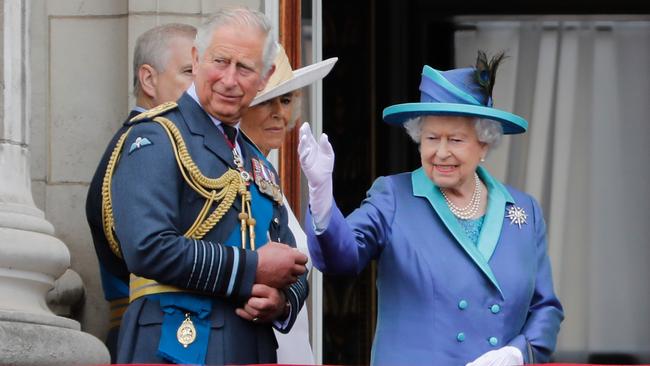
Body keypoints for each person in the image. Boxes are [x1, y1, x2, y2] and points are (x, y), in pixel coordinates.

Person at [298, 51, 564, 365]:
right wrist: (321, 198)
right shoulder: (394, 196)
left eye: (455, 140)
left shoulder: (523, 211)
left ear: (484, 144)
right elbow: (341, 259)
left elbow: (546, 309)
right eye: (431, 138)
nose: (440, 152)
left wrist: (519, 353)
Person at [101, 8, 309, 365]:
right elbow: (147, 248)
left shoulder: (255, 158)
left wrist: (283, 301)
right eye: (220, 61)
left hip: (252, 346)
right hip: (176, 343)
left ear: (264, 77)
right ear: (197, 59)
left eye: (244, 68)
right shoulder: (156, 136)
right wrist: (251, 268)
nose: (229, 79)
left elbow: (291, 260)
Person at [85, 22, 196, 362]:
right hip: (157, 332)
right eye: (190, 71)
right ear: (149, 79)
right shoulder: (142, 145)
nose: (204, 84)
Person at [240, 44, 337, 365]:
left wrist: (284, 302)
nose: (279, 113)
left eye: (285, 100)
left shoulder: (268, 176)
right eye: (265, 101)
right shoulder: (228, 173)